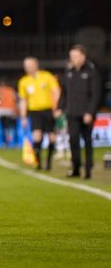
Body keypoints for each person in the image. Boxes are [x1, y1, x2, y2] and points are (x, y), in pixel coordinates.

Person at [57, 45, 102, 179]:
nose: (73, 59)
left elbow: (95, 95)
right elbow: (64, 93)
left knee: (87, 142)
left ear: (83, 56)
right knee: (73, 140)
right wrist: (60, 107)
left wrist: (90, 112)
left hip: (86, 114)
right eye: (72, 57)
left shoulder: (92, 71)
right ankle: (76, 168)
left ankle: (88, 170)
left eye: (76, 56)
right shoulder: (69, 72)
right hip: (72, 113)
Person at [17, 57, 60, 170]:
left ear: (36, 64)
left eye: (30, 64)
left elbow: (56, 92)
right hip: (34, 112)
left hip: (48, 110)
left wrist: (57, 108)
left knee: (52, 138)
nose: (28, 67)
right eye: (26, 65)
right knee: (37, 136)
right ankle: (39, 162)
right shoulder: (23, 81)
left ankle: (49, 162)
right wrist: (23, 117)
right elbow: (23, 100)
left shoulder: (47, 76)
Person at [0, 80, 19, 148]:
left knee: (3, 128)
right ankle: (15, 143)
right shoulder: (11, 90)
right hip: (10, 111)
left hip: (1, 112)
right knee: (12, 128)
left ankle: (4, 143)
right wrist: (16, 111)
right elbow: (16, 101)